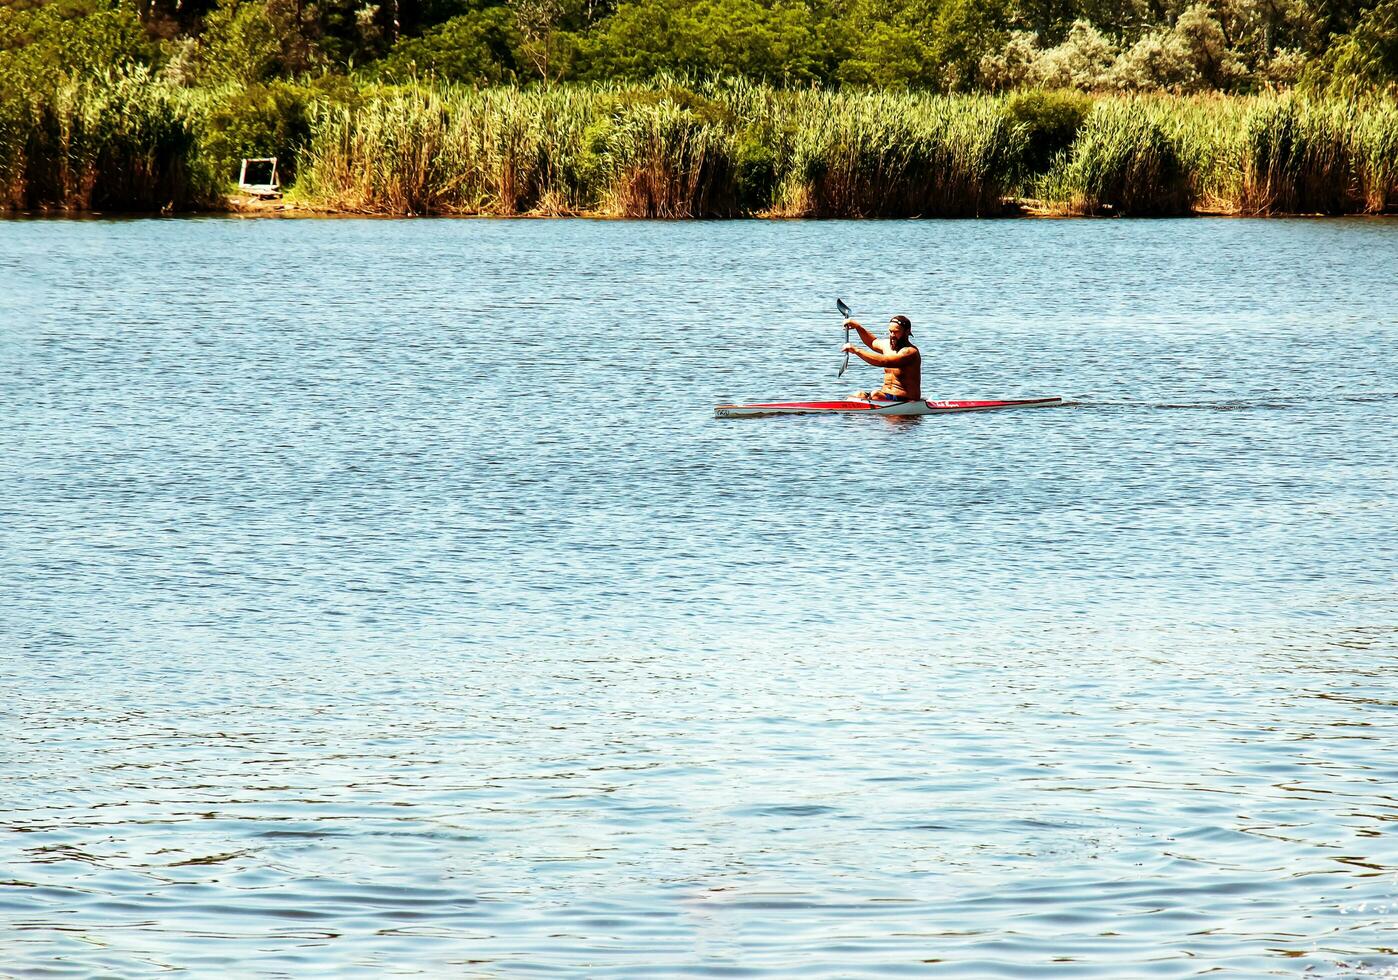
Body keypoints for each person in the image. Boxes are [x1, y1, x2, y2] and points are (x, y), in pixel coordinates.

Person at [842, 314, 921, 401]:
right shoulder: (887, 345)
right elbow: (872, 342)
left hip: (906, 399)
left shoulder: (910, 352)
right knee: (857, 395)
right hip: (885, 396)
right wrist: (857, 327)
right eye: (890, 331)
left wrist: (857, 350)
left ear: (907, 331)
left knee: (876, 394)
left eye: (896, 332)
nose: (892, 335)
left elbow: (884, 361)